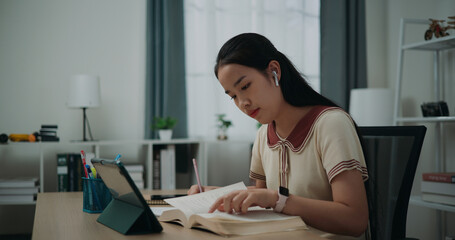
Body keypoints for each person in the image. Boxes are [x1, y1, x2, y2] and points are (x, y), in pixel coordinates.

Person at [188, 33, 369, 239]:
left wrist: (278, 200)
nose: (242, 103)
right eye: (233, 96)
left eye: (245, 86)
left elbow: (355, 220)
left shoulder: (330, 124)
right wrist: (219, 195)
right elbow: (261, 199)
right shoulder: (263, 135)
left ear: (274, 71)